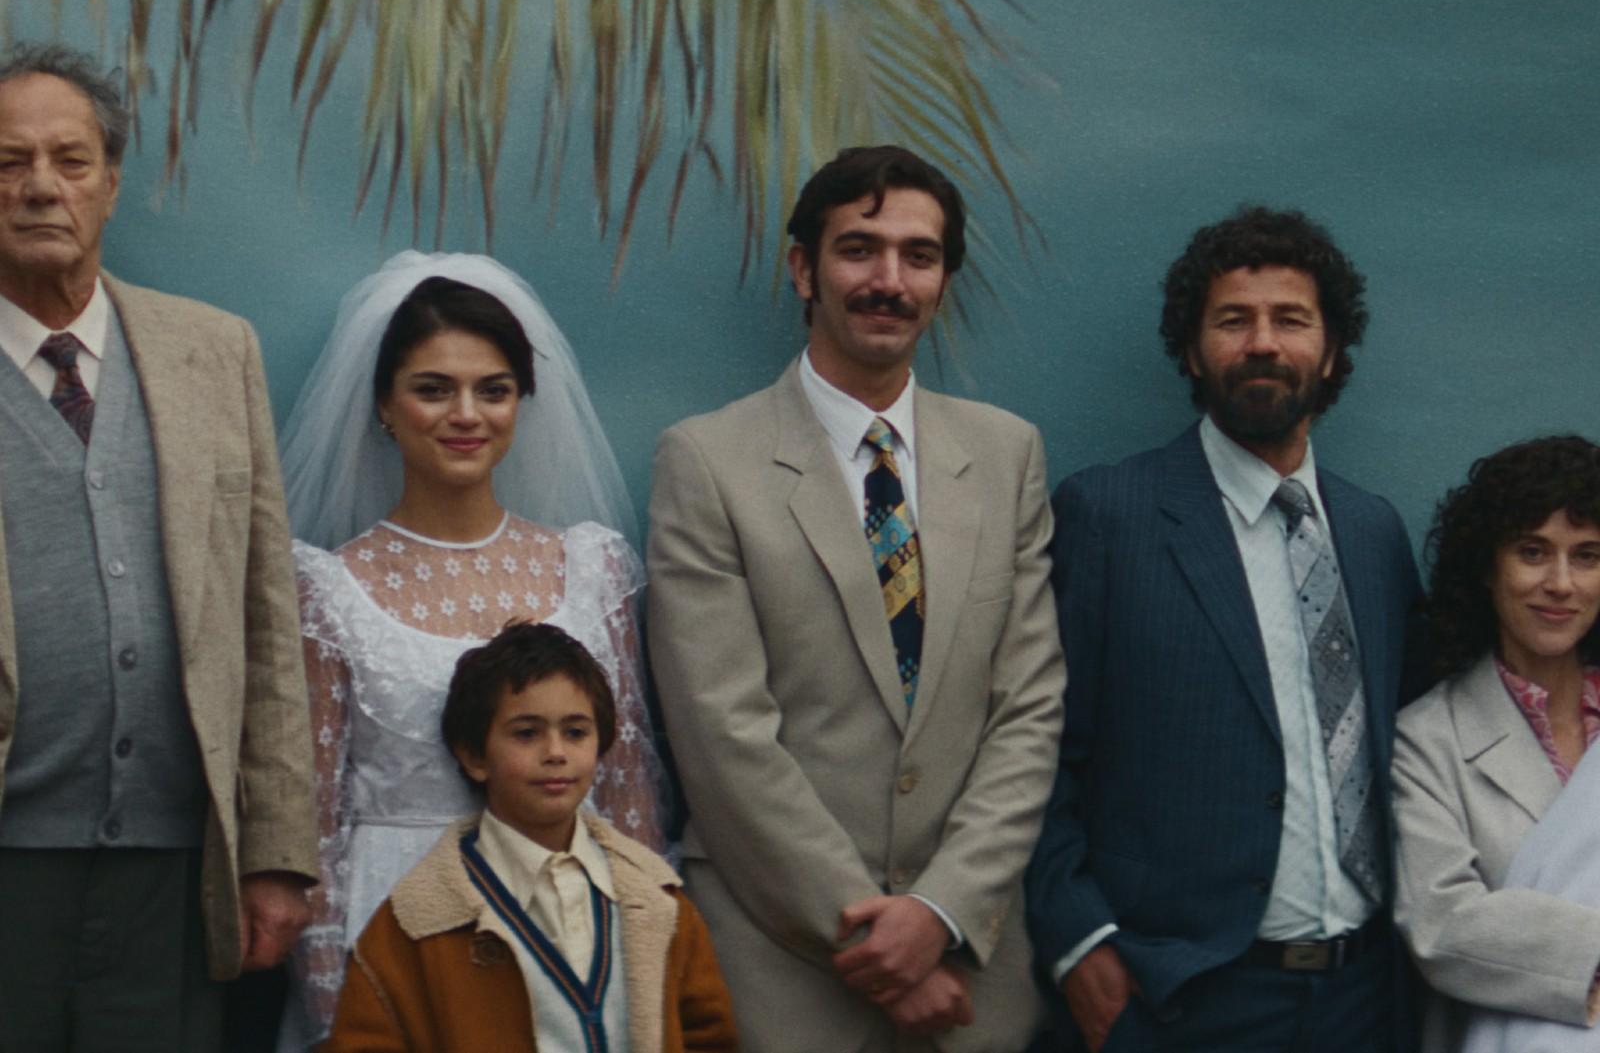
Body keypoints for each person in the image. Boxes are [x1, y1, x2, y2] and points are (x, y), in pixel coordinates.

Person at [647, 144, 1065, 1051]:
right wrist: (878, 944)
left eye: (919, 255)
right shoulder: (707, 461)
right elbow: (723, 735)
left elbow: (1029, 711)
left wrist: (940, 912)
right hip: (782, 978)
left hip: (972, 976)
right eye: (859, 249)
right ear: (804, 268)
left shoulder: (1008, 455)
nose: (889, 280)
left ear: (943, 280)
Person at [1027, 207, 1421, 1051]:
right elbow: (1035, 749)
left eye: (1291, 319)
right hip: (1179, 997)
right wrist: (1079, 942)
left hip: (1365, 997)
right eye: (1233, 319)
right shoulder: (1110, 515)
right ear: (1191, 350)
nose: (1263, 342)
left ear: (1332, 350)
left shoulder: (1374, 533)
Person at [0, 42, 317, 1049]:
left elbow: (266, 624)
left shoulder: (213, 352)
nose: (40, 186)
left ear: (111, 182)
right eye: (8, 162)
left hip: (176, 870)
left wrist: (276, 852)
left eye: (70, 160)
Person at [275, 252, 666, 1047]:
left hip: (575, 929)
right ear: (384, 404)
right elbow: (312, 825)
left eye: (493, 389)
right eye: (433, 388)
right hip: (398, 930)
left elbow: (630, 795)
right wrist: (333, 1013)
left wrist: (648, 974)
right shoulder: (326, 588)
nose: (466, 413)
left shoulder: (592, 568)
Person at [323, 621, 737, 1051]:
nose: (556, 752)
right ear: (475, 756)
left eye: (575, 732)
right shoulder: (415, 924)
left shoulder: (656, 899)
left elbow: (710, 1035)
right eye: (527, 733)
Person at [1391, 435, 1600, 1052]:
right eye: (1532, 552)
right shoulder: (1428, 738)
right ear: (1487, 567)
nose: (1560, 583)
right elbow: (1441, 922)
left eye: (1587, 556)